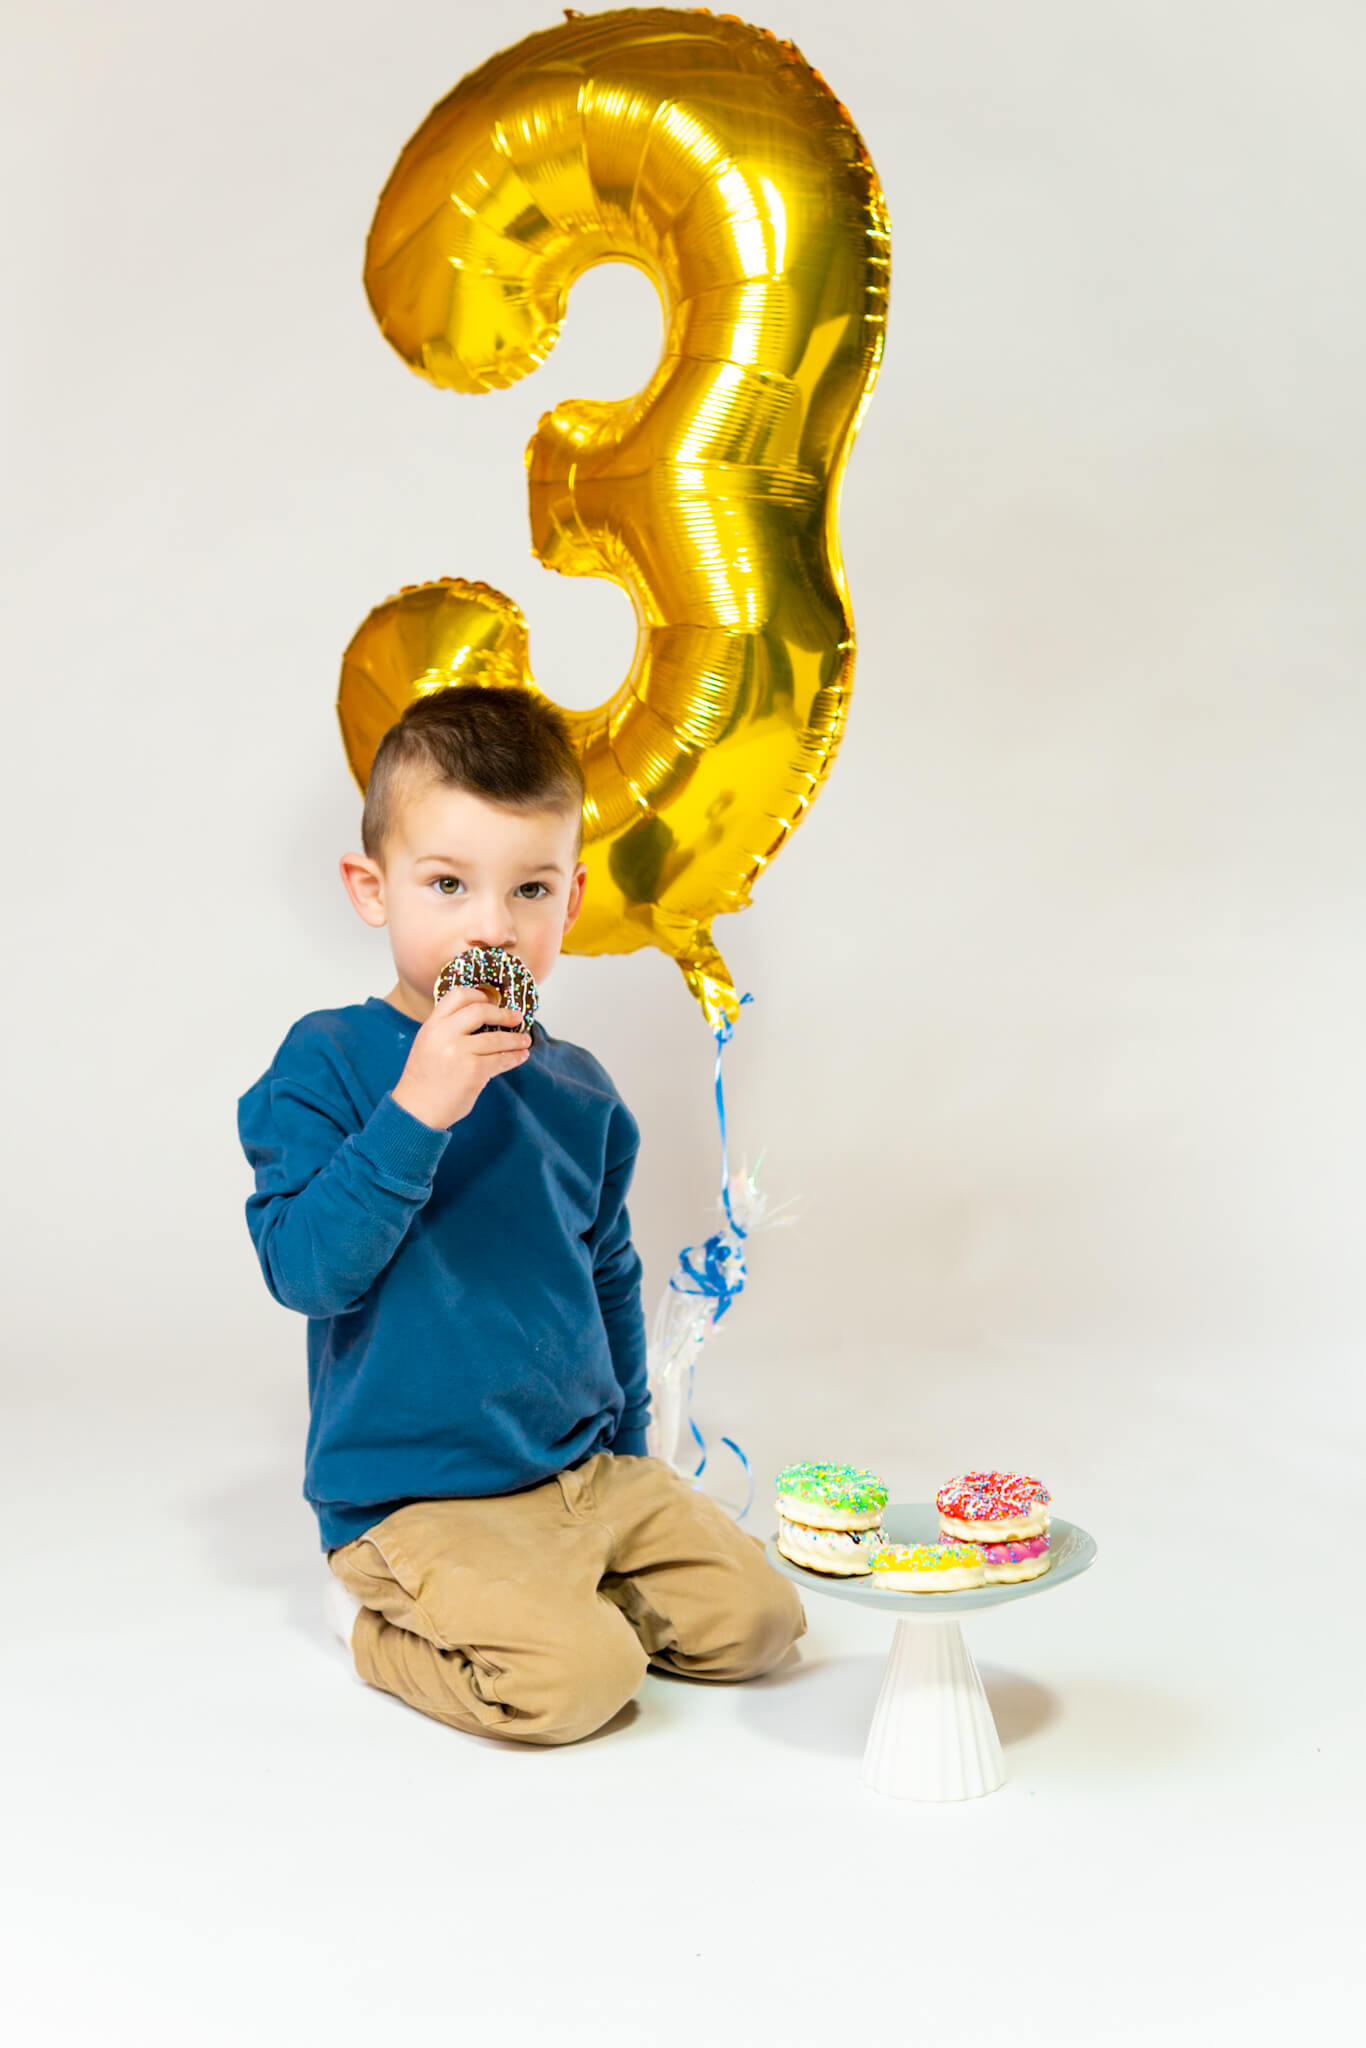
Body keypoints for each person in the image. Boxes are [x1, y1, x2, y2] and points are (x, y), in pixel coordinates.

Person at [236, 685, 806, 1745]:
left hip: (579, 1469)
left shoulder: (579, 1088)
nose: (491, 925)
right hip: (417, 1496)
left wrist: (631, 1450)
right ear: (373, 888)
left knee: (761, 1621)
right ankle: (369, 1626)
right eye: (447, 884)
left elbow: (607, 1275)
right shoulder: (324, 1062)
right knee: (575, 1687)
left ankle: (568, 1595)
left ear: (571, 899)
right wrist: (420, 1107)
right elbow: (307, 1271)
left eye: (530, 888)